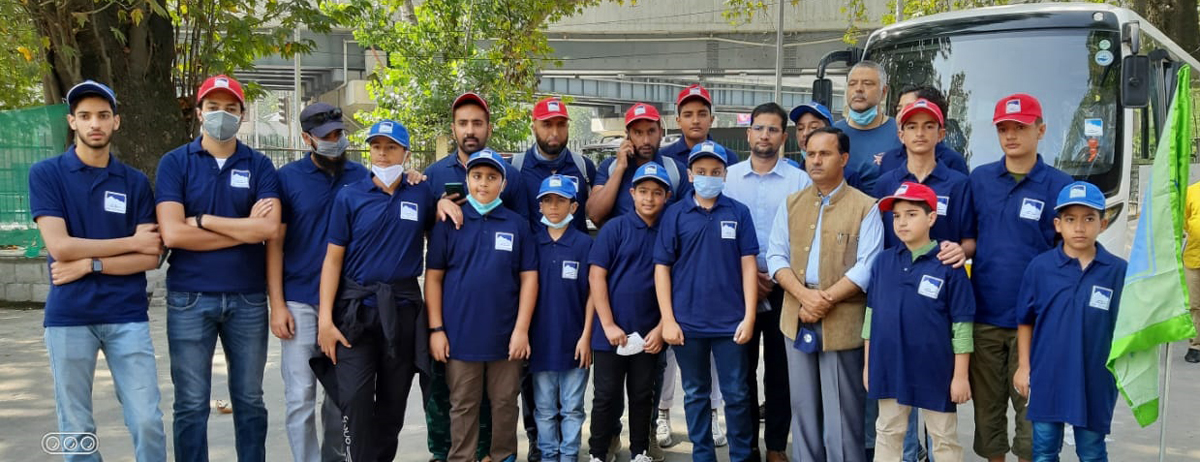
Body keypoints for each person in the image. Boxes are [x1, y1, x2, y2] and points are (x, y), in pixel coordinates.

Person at [30, 80, 167, 461]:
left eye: (103, 116)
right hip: (69, 317)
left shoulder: (135, 182)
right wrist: (130, 242)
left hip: (127, 315)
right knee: (76, 428)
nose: (95, 124)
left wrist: (90, 263)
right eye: (86, 116)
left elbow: (149, 258)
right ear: (72, 121)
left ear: (116, 122)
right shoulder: (47, 174)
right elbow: (60, 247)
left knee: (146, 421)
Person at [155, 74, 281, 462]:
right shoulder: (174, 163)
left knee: (250, 399)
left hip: (247, 298)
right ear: (198, 113)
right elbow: (173, 234)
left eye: (230, 109)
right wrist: (244, 231)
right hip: (188, 299)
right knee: (191, 404)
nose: (221, 115)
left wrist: (204, 220)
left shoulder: (259, 165)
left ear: (242, 115)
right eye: (213, 108)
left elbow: (269, 228)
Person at [312, 120, 437, 460]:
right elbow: (332, 261)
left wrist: (442, 200)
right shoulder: (349, 196)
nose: (382, 154)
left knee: (393, 407)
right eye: (376, 146)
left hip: (402, 313)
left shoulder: (421, 193)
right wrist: (326, 320)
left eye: (391, 147)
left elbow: (439, 235)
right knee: (354, 400)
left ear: (405, 154)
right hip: (356, 314)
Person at [767, 127, 883, 462]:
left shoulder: (866, 207)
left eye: (825, 153)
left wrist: (825, 299)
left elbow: (867, 266)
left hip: (842, 320)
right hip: (797, 317)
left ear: (844, 158)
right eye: (810, 153)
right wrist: (805, 296)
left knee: (842, 415)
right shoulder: (791, 204)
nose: (815, 160)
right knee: (802, 409)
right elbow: (776, 256)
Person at [968, 93, 1073, 462]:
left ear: (1041, 130)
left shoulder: (1059, 185)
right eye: (1003, 129)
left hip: (1037, 320)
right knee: (988, 413)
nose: (1011, 135)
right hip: (985, 317)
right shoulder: (979, 179)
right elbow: (968, 240)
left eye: (1021, 127)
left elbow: (1070, 254)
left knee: (1034, 419)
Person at [423, 92, 520, 462]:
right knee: (453, 399)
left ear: (488, 128)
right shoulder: (432, 176)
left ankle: (496, 454)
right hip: (453, 314)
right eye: (463, 123)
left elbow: (527, 241)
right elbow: (414, 228)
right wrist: (436, 203)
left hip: (501, 318)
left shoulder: (510, 176)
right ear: (453, 129)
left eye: (477, 123)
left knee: (501, 401)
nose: (470, 130)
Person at [267, 102, 362, 462]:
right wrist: (277, 304)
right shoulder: (287, 179)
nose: (336, 141)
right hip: (300, 301)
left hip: (346, 304)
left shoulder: (361, 176)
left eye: (339, 133)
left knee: (340, 399)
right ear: (306, 138)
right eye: (326, 136)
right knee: (300, 398)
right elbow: (274, 245)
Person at [656, 141, 759, 462]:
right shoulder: (675, 215)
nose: (708, 177)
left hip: (731, 323)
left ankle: (741, 455)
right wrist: (668, 320)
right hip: (687, 324)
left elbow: (748, 266)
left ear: (725, 175)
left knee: (738, 394)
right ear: (690, 175)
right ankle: (703, 455)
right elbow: (662, 268)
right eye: (701, 171)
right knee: (696, 394)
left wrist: (750, 316)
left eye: (715, 171)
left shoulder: (738, 213)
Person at [722, 102, 812, 462]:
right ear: (748, 134)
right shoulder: (727, 177)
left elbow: (807, 236)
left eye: (773, 129)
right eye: (759, 128)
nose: (764, 135)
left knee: (780, 374)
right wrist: (746, 277)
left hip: (784, 290)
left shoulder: (799, 180)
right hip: (735, 291)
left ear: (784, 137)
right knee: (739, 375)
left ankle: (776, 446)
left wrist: (778, 276)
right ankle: (745, 448)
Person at [1013, 181, 1126, 461]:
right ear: (1057, 224)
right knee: (1044, 450)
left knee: (1092, 450)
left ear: (1103, 221)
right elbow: (1025, 321)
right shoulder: (1041, 268)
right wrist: (1024, 367)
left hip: (1095, 377)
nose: (1079, 227)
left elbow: (1128, 325)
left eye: (1089, 219)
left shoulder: (1118, 271)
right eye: (1070, 219)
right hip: (1048, 375)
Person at [864, 182, 975, 461]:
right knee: (889, 431)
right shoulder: (882, 262)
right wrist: (869, 365)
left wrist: (960, 376)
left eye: (911, 214)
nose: (901, 222)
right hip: (889, 365)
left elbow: (962, 325)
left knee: (943, 437)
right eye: (897, 216)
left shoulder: (949, 265)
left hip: (935, 369)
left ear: (932, 218)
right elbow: (871, 317)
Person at [587, 162, 673, 462]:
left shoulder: (668, 232)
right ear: (632, 193)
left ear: (667, 196)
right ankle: (598, 452)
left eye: (657, 193)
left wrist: (662, 327)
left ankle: (640, 451)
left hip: (649, 333)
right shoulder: (615, 228)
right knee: (605, 397)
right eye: (643, 192)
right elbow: (597, 276)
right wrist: (608, 324)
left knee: (642, 395)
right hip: (610, 334)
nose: (649, 199)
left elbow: (675, 283)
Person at [529, 174, 594, 462]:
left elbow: (594, 294)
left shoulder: (584, 244)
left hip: (574, 341)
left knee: (572, 407)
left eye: (560, 201)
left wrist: (586, 337)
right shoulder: (532, 244)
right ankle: (548, 454)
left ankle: (569, 454)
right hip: (540, 341)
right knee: (543, 407)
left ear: (574, 207)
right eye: (547, 201)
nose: (553, 207)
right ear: (539, 206)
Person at [873, 99, 975, 260]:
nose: (920, 133)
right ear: (901, 135)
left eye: (928, 126)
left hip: (942, 276)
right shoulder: (885, 183)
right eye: (912, 127)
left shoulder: (959, 184)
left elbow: (969, 240)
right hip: (894, 275)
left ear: (941, 134)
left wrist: (960, 251)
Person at [588, 103, 690, 226]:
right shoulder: (610, 167)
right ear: (628, 135)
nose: (646, 140)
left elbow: (689, 220)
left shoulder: (675, 170)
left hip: (663, 244)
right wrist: (620, 169)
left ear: (660, 132)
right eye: (638, 133)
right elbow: (595, 215)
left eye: (651, 131)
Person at [512, 97, 598, 233]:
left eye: (561, 125)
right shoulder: (515, 167)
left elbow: (598, 214)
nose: (555, 133)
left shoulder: (584, 167)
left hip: (576, 253)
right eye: (547, 125)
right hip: (532, 253)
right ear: (534, 128)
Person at [833, 61, 901, 193]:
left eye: (867, 84)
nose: (858, 89)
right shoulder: (833, 133)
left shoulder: (901, 132)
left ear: (884, 92)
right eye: (852, 84)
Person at [878, 86, 969, 177]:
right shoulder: (889, 159)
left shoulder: (953, 161)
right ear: (901, 135)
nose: (901, 115)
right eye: (899, 109)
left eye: (910, 107)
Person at [660, 84, 717, 165]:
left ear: (711, 120)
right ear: (678, 121)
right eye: (688, 115)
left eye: (702, 114)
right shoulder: (663, 157)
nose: (695, 121)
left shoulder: (728, 158)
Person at [1184, 180, 1200, 363]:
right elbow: (1185, 222)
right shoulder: (1192, 192)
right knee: (1194, 304)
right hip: (1194, 256)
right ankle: (1195, 345)